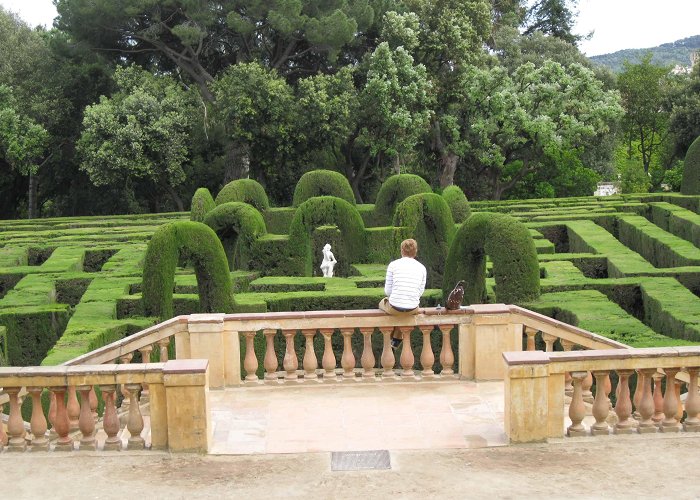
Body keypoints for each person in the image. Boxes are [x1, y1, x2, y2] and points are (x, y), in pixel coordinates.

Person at [378, 238, 426, 348]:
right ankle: (396, 339)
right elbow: (420, 292)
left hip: (394, 308)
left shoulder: (393, 265)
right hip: (413, 308)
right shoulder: (422, 268)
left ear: (401, 250)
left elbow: (387, 291)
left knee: (384, 303)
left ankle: (391, 337)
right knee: (404, 311)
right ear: (415, 251)